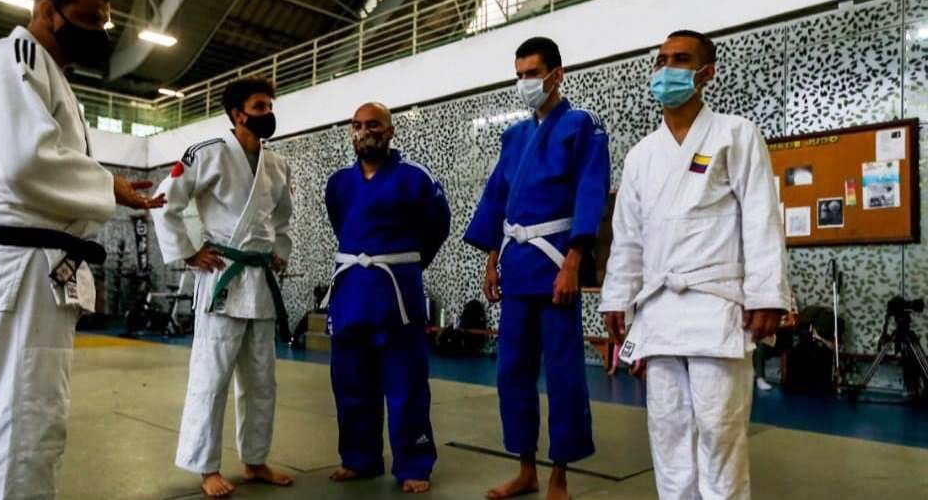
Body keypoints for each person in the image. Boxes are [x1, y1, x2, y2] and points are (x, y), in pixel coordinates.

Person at [0, 0, 164, 500]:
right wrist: (108, 186)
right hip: (25, 264)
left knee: (35, 417)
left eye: (104, 23)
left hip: (40, 265)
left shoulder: (50, 75)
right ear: (48, 12)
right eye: (88, 20)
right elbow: (27, 162)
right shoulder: (14, 58)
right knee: (23, 422)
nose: (99, 32)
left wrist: (107, 187)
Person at [600, 30, 789, 500]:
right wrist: (617, 299)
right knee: (667, 433)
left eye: (680, 59)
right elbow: (628, 238)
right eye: (661, 59)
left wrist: (766, 294)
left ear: (707, 73)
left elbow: (761, 217)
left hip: (716, 305)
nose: (666, 68)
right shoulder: (642, 155)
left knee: (719, 432)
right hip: (659, 310)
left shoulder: (736, 134)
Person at [464, 37, 610, 500]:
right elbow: (497, 198)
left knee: (563, 373)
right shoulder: (514, 136)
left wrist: (574, 263)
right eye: (520, 74)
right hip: (517, 264)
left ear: (556, 74)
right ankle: (525, 469)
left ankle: (559, 475)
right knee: (512, 372)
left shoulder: (581, 125)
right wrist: (492, 259)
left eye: (533, 73)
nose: (525, 82)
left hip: (555, 263)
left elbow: (591, 191)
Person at [150, 76, 294, 498]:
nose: (267, 113)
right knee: (211, 378)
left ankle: (255, 460)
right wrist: (188, 252)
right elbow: (165, 202)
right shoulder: (207, 153)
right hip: (223, 278)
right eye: (259, 107)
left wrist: (278, 250)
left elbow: (282, 217)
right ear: (237, 114)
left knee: (262, 380)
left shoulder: (277, 164)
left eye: (270, 106)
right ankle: (206, 466)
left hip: (260, 283)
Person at [321, 102, 451, 494]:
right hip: (351, 292)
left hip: (397, 294)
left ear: (391, 131)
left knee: (406, 383)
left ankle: (413, 463)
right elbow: (341, 225)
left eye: (374, 124)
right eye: (357, 125)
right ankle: (358, 458)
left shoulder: (415, 178)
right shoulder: (338, 184)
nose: (365, 131)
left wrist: (409, 262)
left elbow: (437, 226)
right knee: (350, 382)